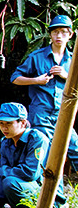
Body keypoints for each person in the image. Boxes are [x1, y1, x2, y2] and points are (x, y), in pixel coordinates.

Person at [10, 15, 78, 171]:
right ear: (50, 34)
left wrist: (67, 76)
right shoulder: (37, 56)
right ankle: (46, 194)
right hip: (41, 115)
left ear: (70, 35)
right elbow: (15, 78)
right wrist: (36, 80)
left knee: (75, 150)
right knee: (44, 156)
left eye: (63, 32)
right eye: (55, 32)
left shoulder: (74, 61)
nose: (59, 36)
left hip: (64, 114)